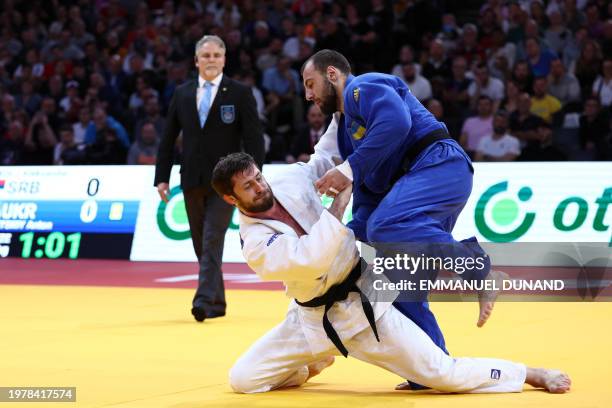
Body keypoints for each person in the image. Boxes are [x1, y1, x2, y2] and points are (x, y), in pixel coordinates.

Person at [212, 152, 571, 395]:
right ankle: (311, 363)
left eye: (258, 177)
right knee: (242, 379)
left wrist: (346, 150)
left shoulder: (287, 179)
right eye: (249, 186)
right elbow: (311, 259)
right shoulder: (254, 242)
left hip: (365, 296)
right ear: (232, 199)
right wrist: (337, 206)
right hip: (309, 318)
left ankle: (528, 373)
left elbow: (323, 155)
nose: (260, 187)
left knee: (438, 373)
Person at [301, 50, 502, 390]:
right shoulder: (349, 136)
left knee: (386, 226)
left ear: (332, 74)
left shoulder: (360, 88)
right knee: (396, 284)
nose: (308, 94)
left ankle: (479, 269)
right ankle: (431, 369)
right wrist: (342, 240)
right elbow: (367, 201)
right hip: (417, 189)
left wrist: (348, 170)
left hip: (439, 165)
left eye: (311, 83)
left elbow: (398, 123)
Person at [154, 35, 265, 322]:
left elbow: (254, 137)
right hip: (191, 177)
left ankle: (202, 301)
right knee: (200, 243)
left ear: (224, 59)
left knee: (212, 238)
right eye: (206, 55)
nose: (211, 60)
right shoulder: (182, 93)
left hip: (226, 182)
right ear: (196, 60)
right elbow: (167, 139)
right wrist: (161, 178)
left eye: (217, 55)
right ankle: (217, 302)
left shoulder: (240, 93)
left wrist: (255, 179)